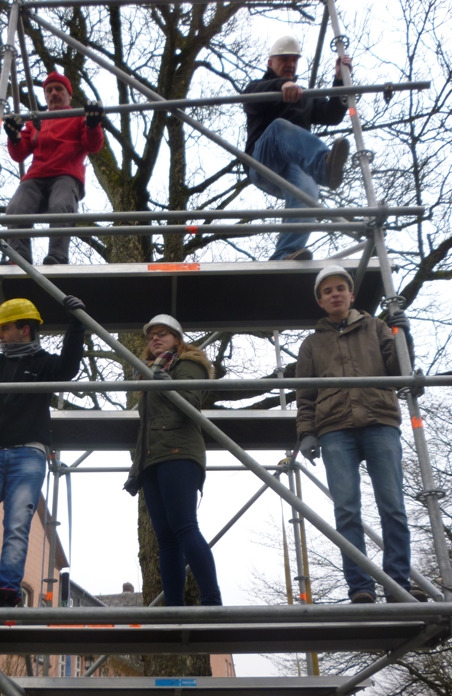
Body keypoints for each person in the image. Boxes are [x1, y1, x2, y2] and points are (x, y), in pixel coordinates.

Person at [295, 265, 426, 603]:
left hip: (379, 421)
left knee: (392, 506)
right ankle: (361, 587)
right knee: (347, 511)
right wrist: (306, 432)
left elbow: (399, 371)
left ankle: (396, 583)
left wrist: (403, 338)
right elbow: (305, 395)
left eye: (340, 288)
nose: (335, 294)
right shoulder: (311, 344)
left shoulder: (377, 327)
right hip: (334, 428)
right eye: (327, 291)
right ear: (320, 301)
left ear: (351, 295)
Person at [0, 295, 86, 608]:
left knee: (16, 526)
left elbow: (68, 367)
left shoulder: (44, 364)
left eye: (4, 328)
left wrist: (76, 324)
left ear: (24, 330)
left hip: (28, 454)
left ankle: (8, 595)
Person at [124, 314, 222, 606]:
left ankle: (212, 600)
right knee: (164, 539)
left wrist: (166, 384)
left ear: (177, 339)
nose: (155, 339)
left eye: (162, 334)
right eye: (151, 335)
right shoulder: (148, 372)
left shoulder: (187, 364)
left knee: (184, 526)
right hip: (153, 458)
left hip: (179, 452)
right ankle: (174, 608)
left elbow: (191, 402)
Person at [243, 36, 352, 261]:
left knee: (308, 193)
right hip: (263, 160)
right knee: (280, 127)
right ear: (270, 63)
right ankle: (323, 167)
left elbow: (332, 115)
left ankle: (285, 254)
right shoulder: (258, 88)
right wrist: (281, 86)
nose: (290, 64)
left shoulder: (304, 97)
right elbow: (250, 99)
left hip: (292, 166)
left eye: (294, 60)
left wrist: (340, 80)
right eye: (284, 59)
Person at [2, 71, 104, 265]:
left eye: (59, 89)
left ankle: (58, 256)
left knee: (61, 206)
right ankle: (18, 257)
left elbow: (93, 145)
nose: (53, 93)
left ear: (69, 95)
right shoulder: (37, 121)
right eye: (48, 90)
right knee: (16, 208)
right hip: (36, 176)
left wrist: (92, 124)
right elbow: (20, 153)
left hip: (65, 174)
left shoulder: (76, 116)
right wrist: (14, 136)